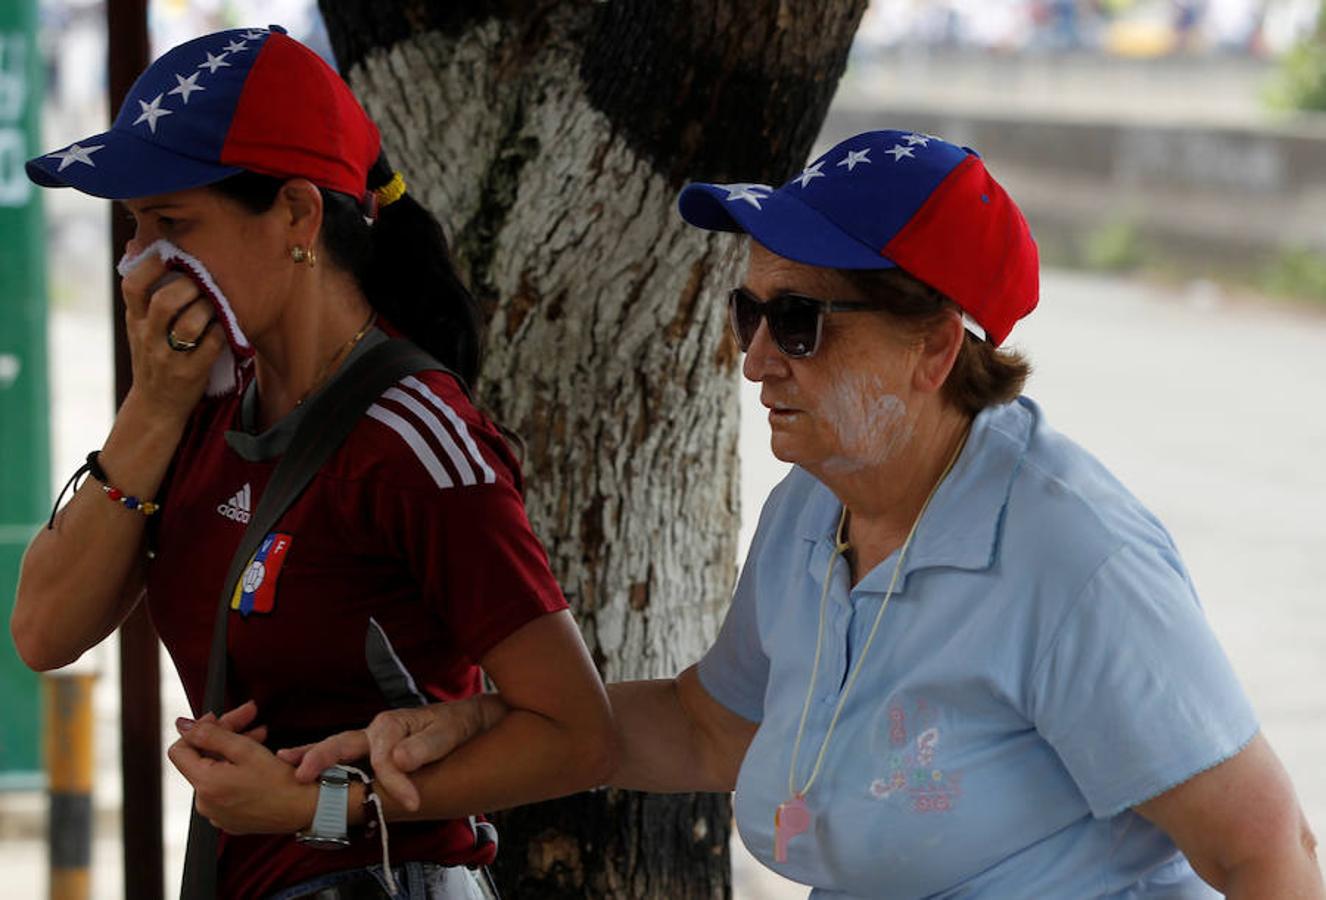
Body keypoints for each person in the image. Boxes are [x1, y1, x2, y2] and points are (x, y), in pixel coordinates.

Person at [289, 129, 1324, 898]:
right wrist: (486, 719)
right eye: (748, 311)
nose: (753, 359)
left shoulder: (1070, 553)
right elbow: (708, 730)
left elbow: (1267, 854)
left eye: (801, 321)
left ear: (934, 349)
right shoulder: (811, 511)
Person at [11, 26, 613, 900]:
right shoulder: (205, 398)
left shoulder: (409, 436)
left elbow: (575, 733)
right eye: (133, 226)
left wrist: (316, 807)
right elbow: (43, 631)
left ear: (296, 215)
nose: (138, 265)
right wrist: (154, 404)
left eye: (173, 224)